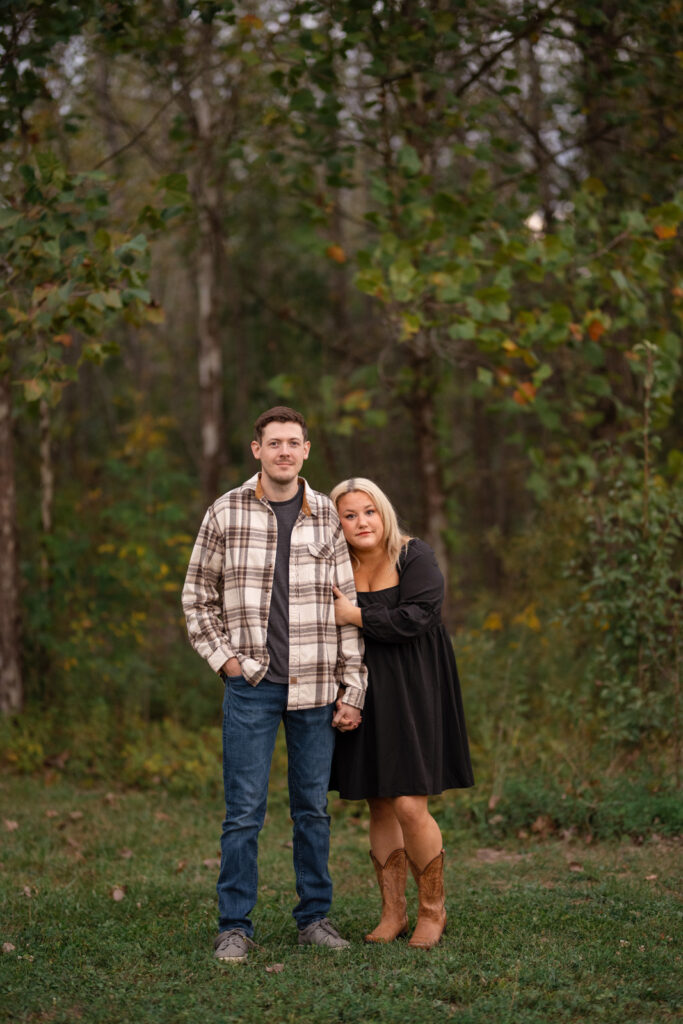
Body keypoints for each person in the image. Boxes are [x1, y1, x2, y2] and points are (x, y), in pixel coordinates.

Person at [182, 408, 367, 965]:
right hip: (253, 686)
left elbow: (348, 607)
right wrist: (226, 661)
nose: (284, 452)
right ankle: (234, 926)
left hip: (315, 689)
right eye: (273, 443)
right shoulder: (226, 512)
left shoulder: (328, 518)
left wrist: (351, 688)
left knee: (311, 809)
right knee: (243, 812)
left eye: (293, 443)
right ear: (255, 450)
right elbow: (197, 597)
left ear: (306, 450)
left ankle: (314, 917)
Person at [328, 478, 474, 950]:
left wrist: (357, 617)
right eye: (349, 515)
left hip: (415, 687)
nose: (361, 522)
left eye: (368, 511)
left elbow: (419, 617)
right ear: (338, 523)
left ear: (383, 512)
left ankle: (434, 910)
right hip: (363, 688)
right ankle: (393, 912)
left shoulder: (415, 555)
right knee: (378, 799)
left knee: (411, 802)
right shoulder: (337, 566)